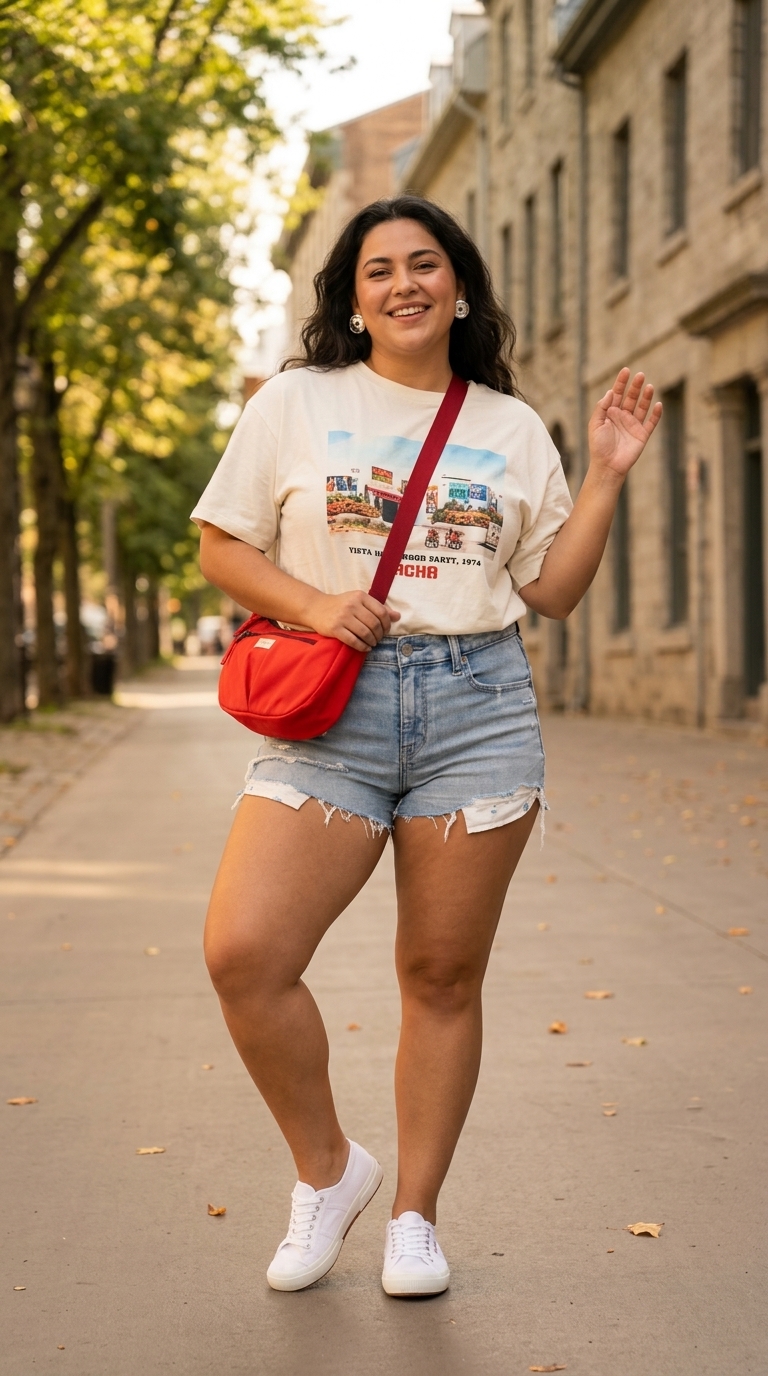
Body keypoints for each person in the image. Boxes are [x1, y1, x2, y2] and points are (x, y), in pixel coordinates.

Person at [191, 196, 662, 1297]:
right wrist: (318, 602)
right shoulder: (297, 401)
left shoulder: (511, 427)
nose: (404, 283)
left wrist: (605, 473)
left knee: (441, 975)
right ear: (353, 301)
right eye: (379, 270)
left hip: (476, 707)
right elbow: (221, 546)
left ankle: (415, 1214)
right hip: (333, 706)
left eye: (424, 264)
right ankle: (329, 1171)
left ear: (458, 288)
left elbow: (553, 591)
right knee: (245, 952)